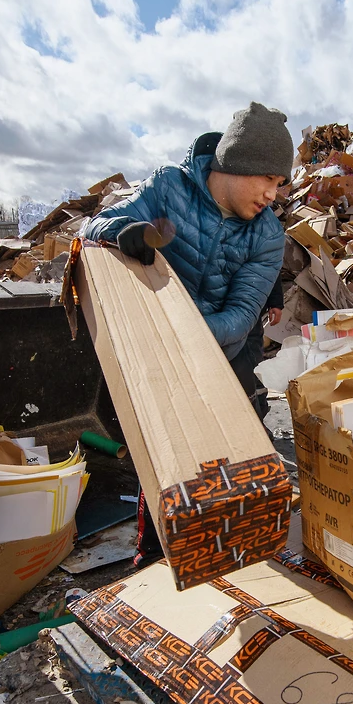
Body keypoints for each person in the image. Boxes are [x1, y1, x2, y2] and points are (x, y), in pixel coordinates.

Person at [81, 101, 292, 565]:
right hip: (158, 349)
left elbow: (240, 316)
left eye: (280, 184)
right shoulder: (167, 186)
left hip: (224, 350)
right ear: (238, 164)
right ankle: (155, 559)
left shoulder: (268, 235)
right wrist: (125, 231)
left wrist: (177, 330)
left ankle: (231, 561)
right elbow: (93, 225)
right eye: (269, 180)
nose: (273, 195)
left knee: (231, 463)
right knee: (163, 459)